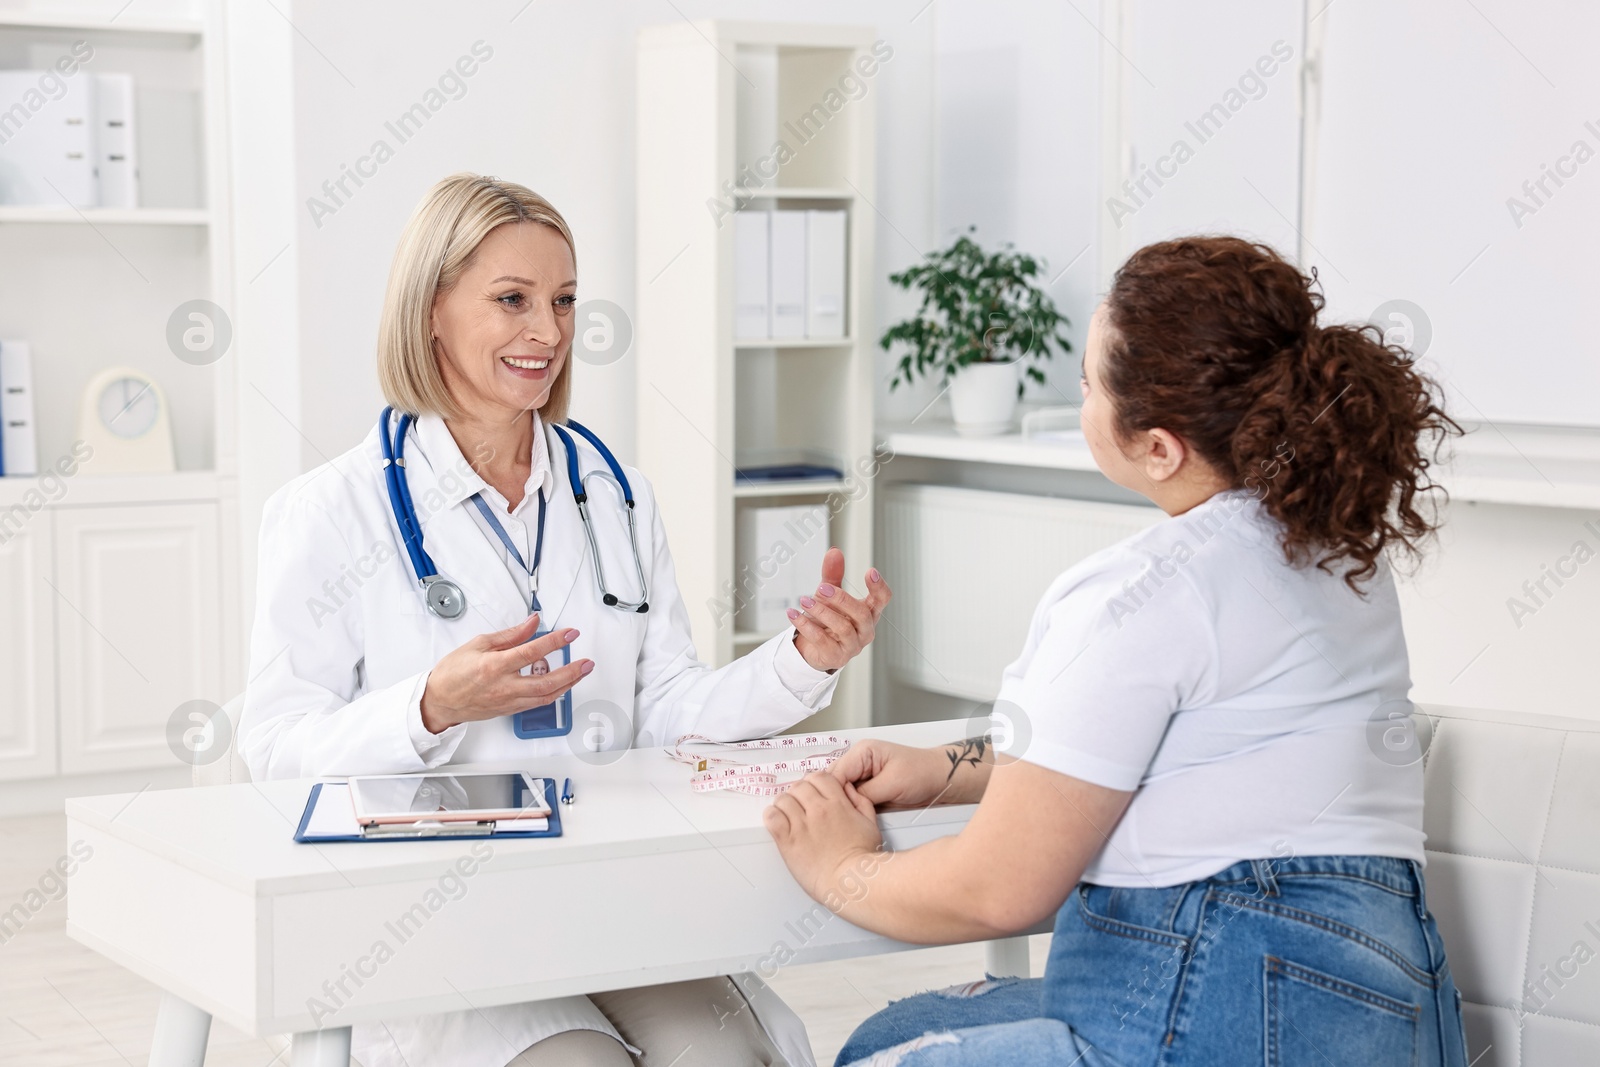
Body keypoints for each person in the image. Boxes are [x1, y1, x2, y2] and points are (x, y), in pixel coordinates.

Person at [764, 236, 1469, 1066]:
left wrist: (841, 867)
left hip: (1230, 1004)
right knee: (897, 1028)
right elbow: (1152, 748)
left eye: (1091, 383)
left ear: (1159, 447)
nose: (1082, 394)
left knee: (877, 1055)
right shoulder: (1335, 551)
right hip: (1392, 1010)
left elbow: (996, 890)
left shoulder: (1146, 589)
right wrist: (942, 766)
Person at [239, 172, 891, 1067]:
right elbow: (272, 747)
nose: (547, 331)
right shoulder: (331, 511)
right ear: (430, 309)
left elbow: (667, 714)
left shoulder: (612, 496)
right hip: (430, 912)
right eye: (511, 299)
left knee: (726, 1058)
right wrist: (429, 706)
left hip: (598, 893)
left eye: (564, 300)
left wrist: (799, 662)